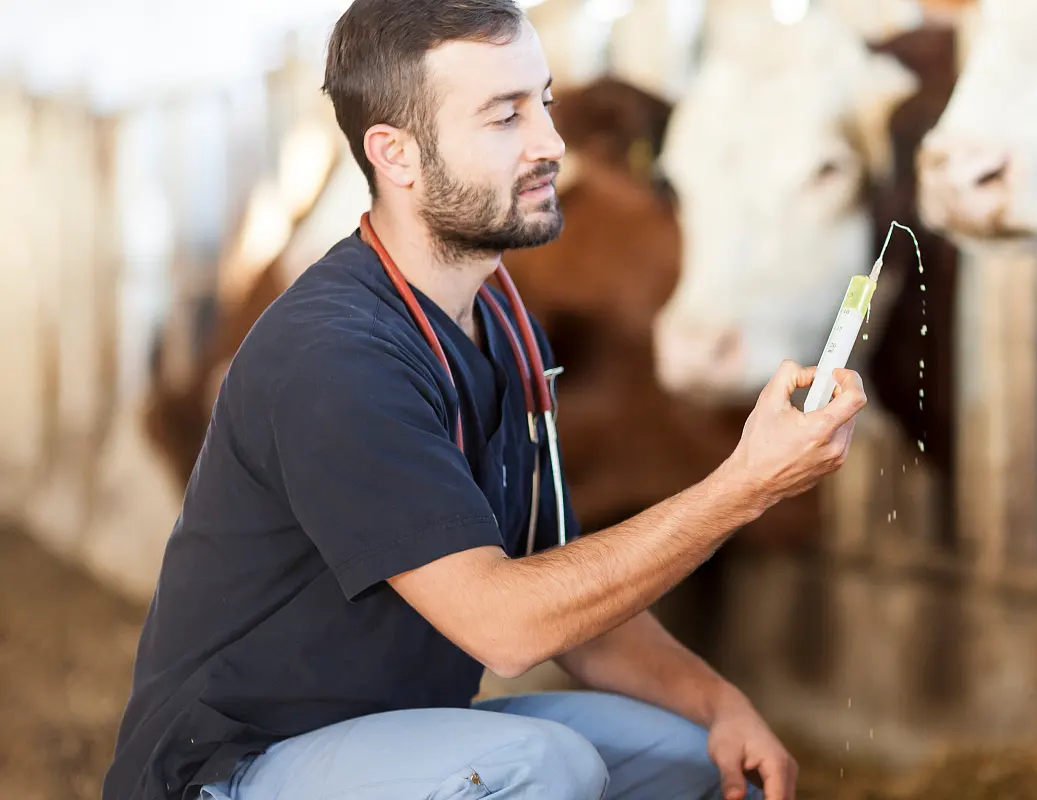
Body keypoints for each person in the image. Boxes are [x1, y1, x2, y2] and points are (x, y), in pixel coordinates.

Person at [99, 1, 867, 798]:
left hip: (394, 739)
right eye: (505, 117)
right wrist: (743, 486)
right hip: (234, 769)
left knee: (689, 754)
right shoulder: (333, 354)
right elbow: (511, 628)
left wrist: (721, 702)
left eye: (545, 103)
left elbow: (562, 588)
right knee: (543, 768)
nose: (552, 145)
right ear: (396, 154)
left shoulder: (500, 321)